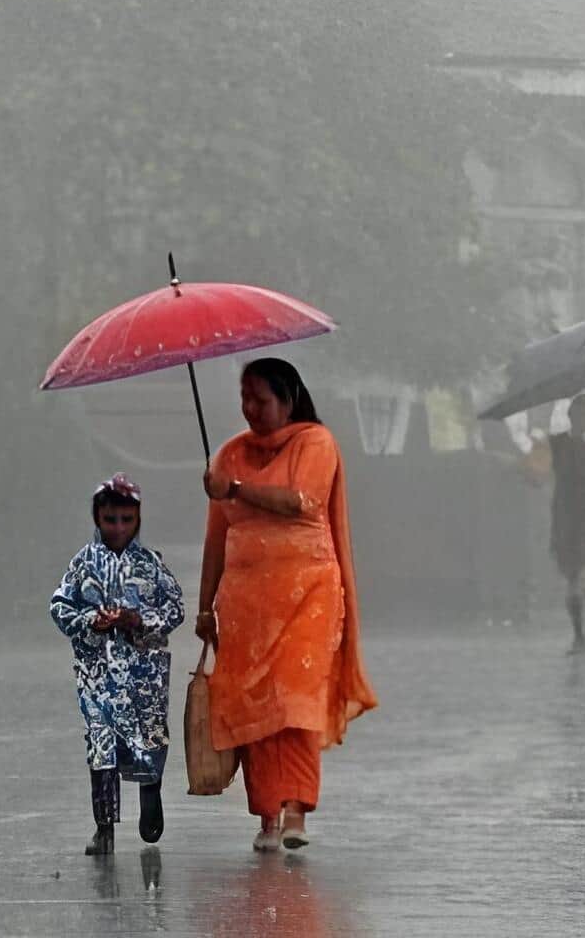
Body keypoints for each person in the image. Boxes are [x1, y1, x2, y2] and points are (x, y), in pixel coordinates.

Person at [195, 358, 376, 853]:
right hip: (246, 605)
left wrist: (233, 489)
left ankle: (297, 808)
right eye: (244, 398)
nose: (250, 408)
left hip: (308, 597)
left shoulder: (315, 442)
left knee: (294, 701)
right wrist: (204, 606)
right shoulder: (228, 455)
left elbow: (301, 502)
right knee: (255, 705)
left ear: (289, 398)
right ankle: (267, 816)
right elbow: (216, 539)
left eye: (261, 398)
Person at [49, 474, 184, 856]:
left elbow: (175, 608)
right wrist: (91, 621)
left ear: (138, 518)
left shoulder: (151, 564)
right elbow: (59, 606)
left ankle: (150, 794)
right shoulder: (83, 563)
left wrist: (138, 621)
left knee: (149, 738)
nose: (119, 528)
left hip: (146, 675)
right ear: (97, 517)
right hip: (97, 672)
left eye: (127, 519)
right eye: (111, 519)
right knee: (100, 743)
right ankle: (104, 826)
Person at [548, 394, 585, 654]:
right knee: (572, 574)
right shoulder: (558, 443)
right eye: (575, 413)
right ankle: (578, 635)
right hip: (564, 515)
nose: (579, 418)